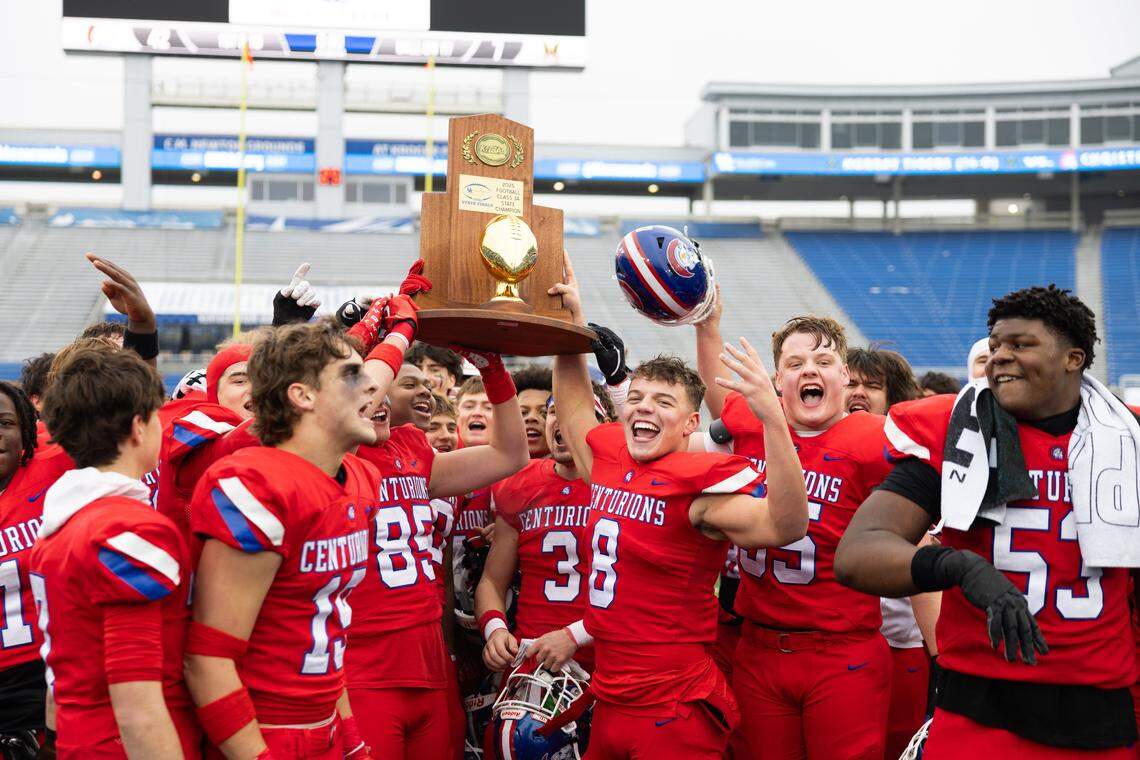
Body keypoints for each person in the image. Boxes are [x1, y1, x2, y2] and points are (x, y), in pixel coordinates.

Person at [835, 285, 1138, 757]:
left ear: (1073, 358)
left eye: (1021, 345)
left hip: (1100, 709)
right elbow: (858, 554)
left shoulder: (1128, 441)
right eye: (995, 345)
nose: (1000, 358)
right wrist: (960, 567)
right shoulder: (959, 431)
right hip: (979, 701)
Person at [544, 251, 809, 759]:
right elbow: (576, 402)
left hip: (672, 697)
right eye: (637, 398)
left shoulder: (697, 483)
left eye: (663, 402)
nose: (643, 407)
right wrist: (570, 324)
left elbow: (786, 524)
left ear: (691, 425)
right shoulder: (610, 454)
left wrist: (774, 421)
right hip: (610, 689)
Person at [693, 312, 897, 760]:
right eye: (796, 362)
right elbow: (704, 411)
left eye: (823, 361)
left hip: (842, 650)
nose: (810, 370)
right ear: (777, 379)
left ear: (844, 376)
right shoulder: (749, 423)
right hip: (758, 646)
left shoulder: (877, 439)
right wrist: (705, 325)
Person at [185, 321, 383, 759]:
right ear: (303, 394)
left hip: (326, 725)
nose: (372, 385)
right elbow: (208, 659)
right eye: (352, 374)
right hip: (262, 730)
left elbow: (326, 625)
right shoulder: (256, 484)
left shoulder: (358, 479)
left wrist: (351, 738)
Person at [347, 329, 530, 760]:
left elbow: (510, 455)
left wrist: (494, 372)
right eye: (407, 382)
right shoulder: (336, 453)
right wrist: (386, 335)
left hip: (427, 658)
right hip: (363, 664)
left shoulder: (410, 447)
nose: (424, 391)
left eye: (427, 384)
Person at [31, 346, 198, 758]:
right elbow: (137, 705)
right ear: (139, 427)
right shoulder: (128, 530)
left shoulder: (62, 519)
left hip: (77, 735)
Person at [476, 387, 617, 675]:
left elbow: (638, 589)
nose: (560, 421)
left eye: (574, 415)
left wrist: (575, 635)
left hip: (605, 658)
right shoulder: (520, 482)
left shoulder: (620, 488)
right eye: (553, 412)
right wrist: (495, 630)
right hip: (532, 656)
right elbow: (492, 580)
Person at [846, 346, 940, 760]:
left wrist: (940, 658)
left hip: (899, 643)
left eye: (872, 385)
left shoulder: (911, 468)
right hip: (829, 644)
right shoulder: (809, 450)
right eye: (850, 383)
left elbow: (923, 560)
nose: (859, 393)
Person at [0, 382, 72, 757]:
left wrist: (143, 335)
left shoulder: (54, 470)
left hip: (42, 685)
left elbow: (123, 416)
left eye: (5, 423)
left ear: (27, 430)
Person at [512, 365, 554, 459]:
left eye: (544, 412)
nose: (531, 418)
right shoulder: (491, 471)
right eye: (522, 412)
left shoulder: (580, 470)